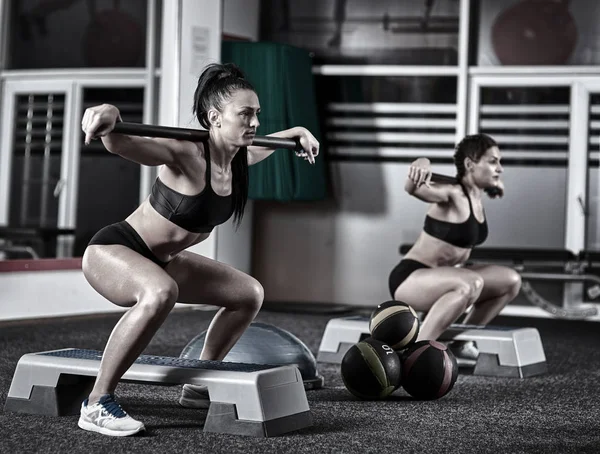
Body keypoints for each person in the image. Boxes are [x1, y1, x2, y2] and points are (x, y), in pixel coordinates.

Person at [77, 63, 319, 437]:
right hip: (115, 250)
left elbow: (270, 142)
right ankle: (97, 402)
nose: (254, 122)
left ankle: (197, 386)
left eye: (256, 114)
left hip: (163, 261)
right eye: (245, 114)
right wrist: (108, 114)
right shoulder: (185, 153)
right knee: (161, 292)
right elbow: (121, 142)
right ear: (214, 118)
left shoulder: (239, 158)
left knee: (248, 294)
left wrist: (299, 133)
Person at [388, 133, 521, 360]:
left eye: (499, 161)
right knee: (470, 283)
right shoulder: (451, 193)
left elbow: (491, 185)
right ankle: (414, 353)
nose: (499, 168)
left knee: (510, 281)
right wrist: (422, 162)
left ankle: (460, 342)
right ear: (470, 164)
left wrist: (495, 186)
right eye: (492, 161)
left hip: (450, 277)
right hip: (411, 278)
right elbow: (412, 187)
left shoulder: (476, 197)